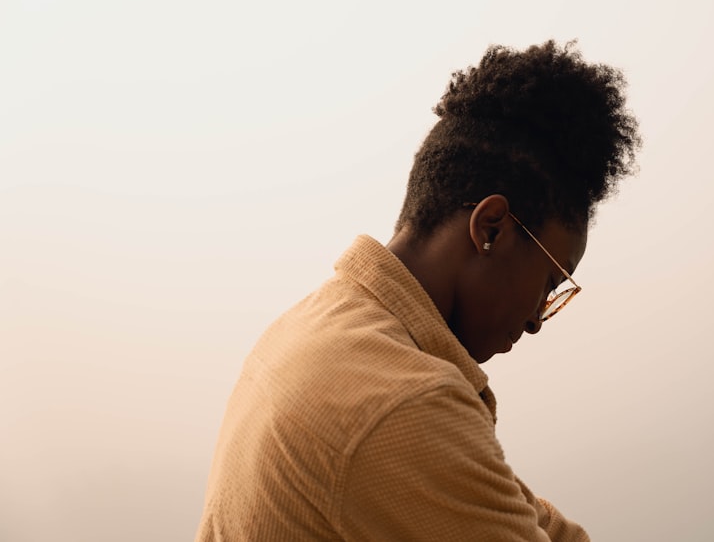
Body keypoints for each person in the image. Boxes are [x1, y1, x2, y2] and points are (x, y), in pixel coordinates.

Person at [196, 40, 641, 541]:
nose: (539, 318)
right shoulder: (404, 400)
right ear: (491, 228)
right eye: (550, 282)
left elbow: (510, 506)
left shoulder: (315, 326)